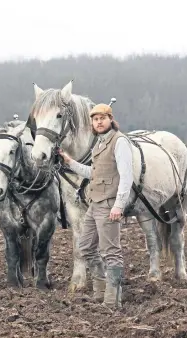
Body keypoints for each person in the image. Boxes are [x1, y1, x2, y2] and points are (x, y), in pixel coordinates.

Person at [58, 103, 133, 309]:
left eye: (103, 118)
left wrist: (119, 205)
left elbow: (127, 177)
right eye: (95, 119)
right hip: (95, 203)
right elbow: (94, 173)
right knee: (85, 247)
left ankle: (112, 300)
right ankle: (100, 292)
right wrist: (70, 162)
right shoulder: (100, 144)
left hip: (109, 204)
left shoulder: (120, 142)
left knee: (111, 251)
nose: (99, 122)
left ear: (111, 119)